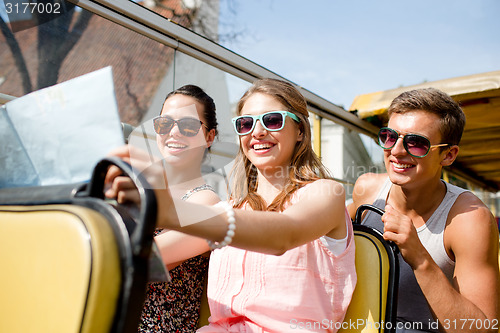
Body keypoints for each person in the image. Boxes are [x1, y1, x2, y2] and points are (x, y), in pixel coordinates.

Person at [107, 78, 356, 332]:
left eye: (272, 120)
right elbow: (139, 258)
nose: (257, 132)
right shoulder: (234, 207)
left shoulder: (327, 193)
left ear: (300, 130)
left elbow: (284, 233)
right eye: (246, 124)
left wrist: (168, 210)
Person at [348, 88, 499, 333]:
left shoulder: (470, 219)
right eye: (389, 136)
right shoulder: (366, 189)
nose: (396, 151)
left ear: (448, 155)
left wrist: (420, 259)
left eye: (416, 143)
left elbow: (483, 329)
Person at [106, 85, 220, 332]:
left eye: (189, 125)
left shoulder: (206, 202)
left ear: (209, 137)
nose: (174, 132)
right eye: (164, 123)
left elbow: (141, 263)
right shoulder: (139, 186)